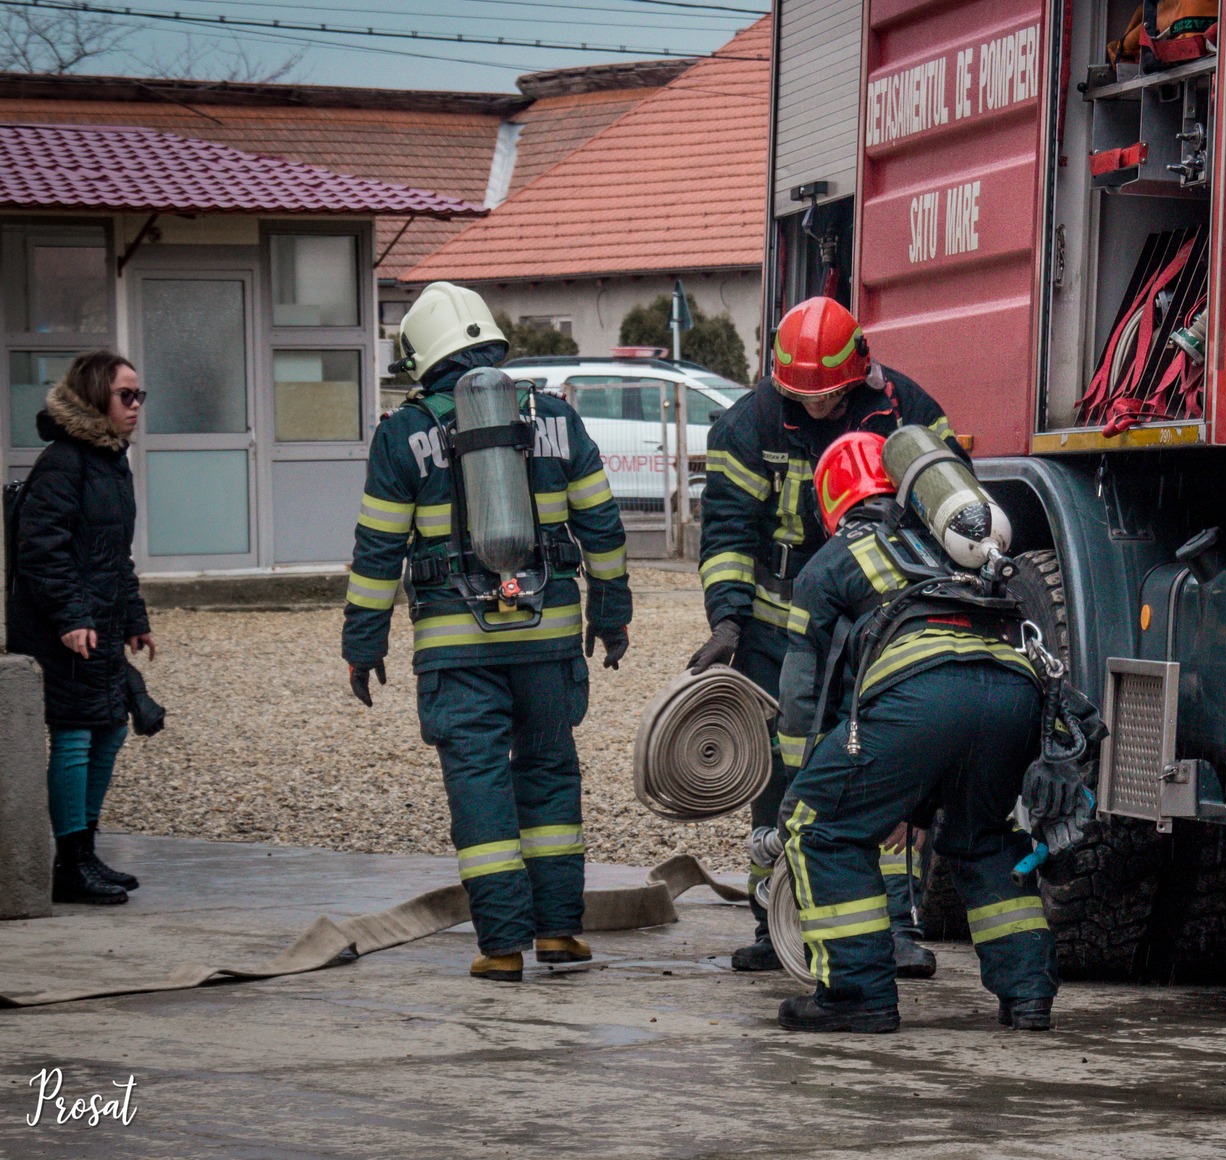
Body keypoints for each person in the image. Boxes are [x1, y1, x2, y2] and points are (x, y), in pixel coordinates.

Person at [342, 282, 631, 982]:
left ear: (421, 355)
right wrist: (610, 614)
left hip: (456, 647)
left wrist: (363, 644)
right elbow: (602, 527)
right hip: (547, 638)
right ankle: (559, 932)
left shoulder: (402, 435)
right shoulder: (557, 417)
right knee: (549, 772)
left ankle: (500, 945)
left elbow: (378, 551)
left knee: (478, 782)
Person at [690, 296, 957, 976]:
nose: (816, 408)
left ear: (857, 374)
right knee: (777, 775)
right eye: (801, 397)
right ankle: (773, 921)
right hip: (776, 630)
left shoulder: (903, 409)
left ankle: (893, 928)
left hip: (876, 626)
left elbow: (950, 496)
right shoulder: (748, 425)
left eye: (829, 396)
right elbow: (727, 532)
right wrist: (728, 620)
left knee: (879, 768)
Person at [771, 432, 1057, 1033]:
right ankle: (1028, 995)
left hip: (924, 695)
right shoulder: (952, 545)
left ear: (830, 500)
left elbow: (803, 692)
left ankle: (857, 994)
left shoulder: (833, 559)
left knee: (820, 828)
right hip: (1012, 693)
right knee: (983, 838)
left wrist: (804, 784)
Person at [9, 350, 156, 905]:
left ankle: (84, 853)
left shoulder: (111, 461)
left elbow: (114, 554)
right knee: (74, 734)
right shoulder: (63, 462)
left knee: (110, 729)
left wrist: (135, 619)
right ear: (96, 397)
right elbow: (41, 550)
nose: (136, 405)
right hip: (63, 628)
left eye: (140, 395)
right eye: (126, 395)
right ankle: (70, 863)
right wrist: (71, 618)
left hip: (100, 623)